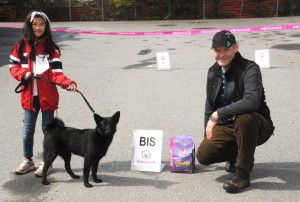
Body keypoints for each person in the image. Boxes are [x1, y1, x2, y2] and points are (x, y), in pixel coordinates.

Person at [196, 30, 275, 193]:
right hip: (228, 126)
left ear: (236, 48)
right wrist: (207, 135)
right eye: (218, 50)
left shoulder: (250, 68)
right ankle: (235, 156)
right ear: (212, 51)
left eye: (226, 49)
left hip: (256, 124)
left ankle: (243, 173)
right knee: (204, 155)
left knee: (243, 118)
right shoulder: (212, 72)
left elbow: (251, 102)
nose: (222, 54)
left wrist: (217, 115)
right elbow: (210, 106)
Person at [9, 10, 77, 177]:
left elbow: (57, 72)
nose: (38, 27)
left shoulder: (51, 49)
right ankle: (28, 160)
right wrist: (22, 75)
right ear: (29, 25)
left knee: (48, 133)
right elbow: (13, 66)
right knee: (27, 131)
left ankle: (48, 163)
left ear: (46, 26)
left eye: (41, 24)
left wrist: (68, 83)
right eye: (34, 24)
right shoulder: (20, 46)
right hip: (29, 97)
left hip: (48, 98)